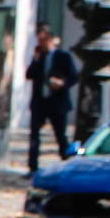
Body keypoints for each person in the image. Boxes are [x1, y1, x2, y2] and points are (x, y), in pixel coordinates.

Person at [27, 26, 80, 171]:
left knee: (60, 136)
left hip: (57, 103)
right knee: (34, 136)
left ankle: (67, 162)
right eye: (39, 41)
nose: (40, 44)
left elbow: (74, 77)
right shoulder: (39, 58)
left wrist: (62, 83)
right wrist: (36, 60)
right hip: (40, 102)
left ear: (50, 40)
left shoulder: (63, 57)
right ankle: (32, 167)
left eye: (43, 41)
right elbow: (29, 74)